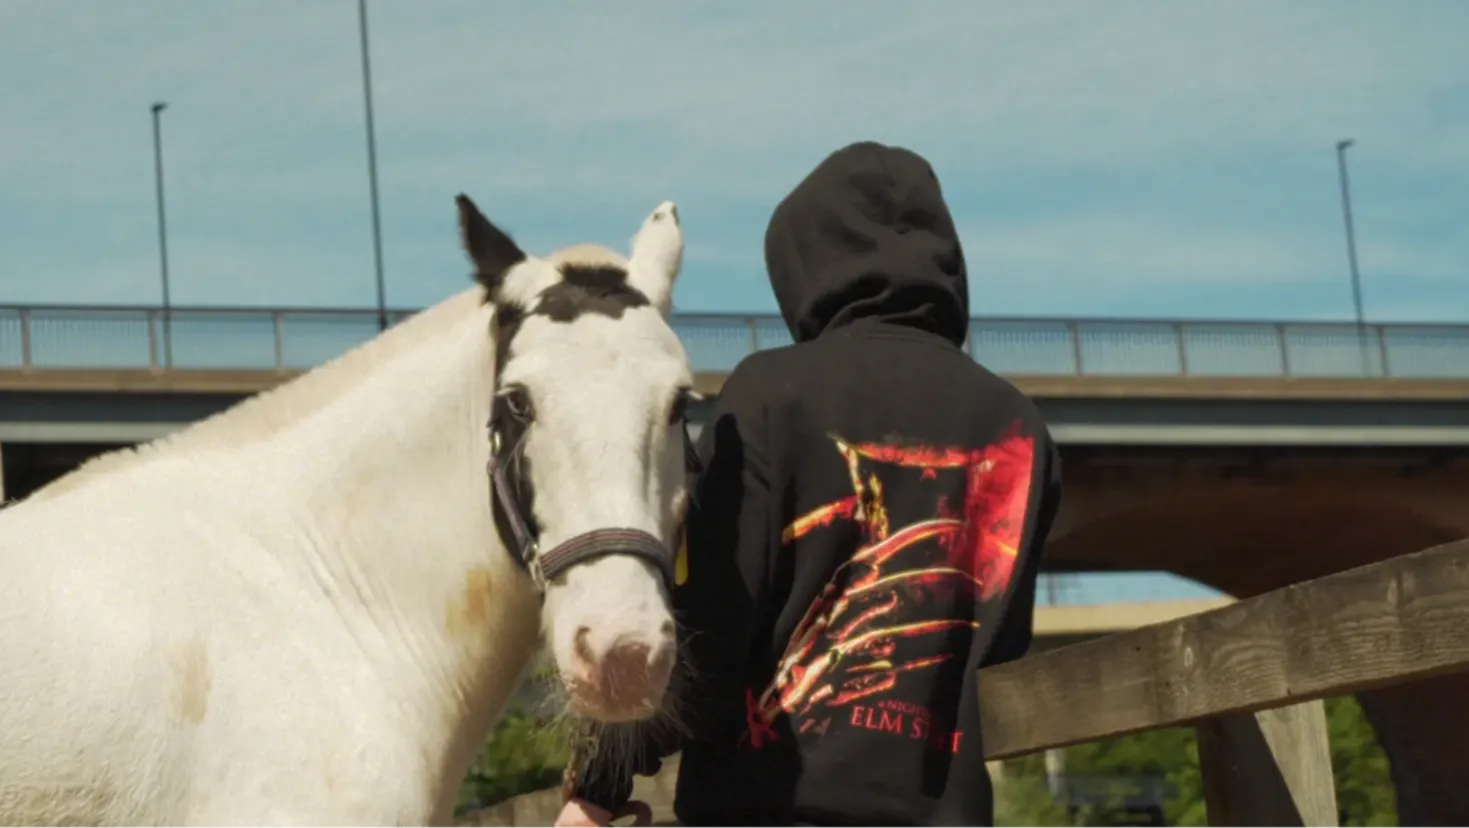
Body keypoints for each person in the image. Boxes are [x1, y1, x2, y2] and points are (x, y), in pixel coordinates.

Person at [556, 141, 1063, 828]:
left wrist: (600, 784)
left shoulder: (772, 394)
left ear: (803, 265)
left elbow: (707, 622)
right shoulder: (1019, 428)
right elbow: (997, 645)